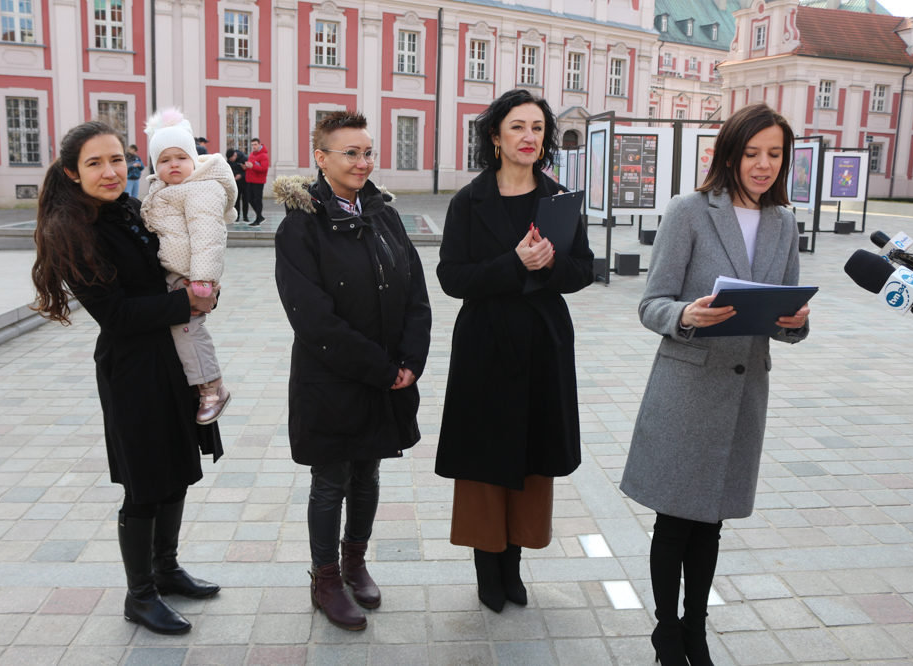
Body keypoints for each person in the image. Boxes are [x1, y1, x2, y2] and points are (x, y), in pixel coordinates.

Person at [619, 102, 810, 666]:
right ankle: (666, 633)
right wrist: (685, 316)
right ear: (729, 153)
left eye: (774, 154)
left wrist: (795, 324)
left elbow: (788, 314)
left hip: (744, 391)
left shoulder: (784, 223)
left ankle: (695, 630)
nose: (763, 165)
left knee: (712, 524)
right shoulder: (689, 211)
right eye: (752, 153)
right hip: (687, 388)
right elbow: (651, 303)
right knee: (674, 521)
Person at [30, 120, 223, 636]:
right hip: (133, 371)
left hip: (171, 358)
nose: (111, 171)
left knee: (177, 468)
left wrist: (201, 288)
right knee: (144, 484)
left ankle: (166, 569)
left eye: (117, 159)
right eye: (95, 163)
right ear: (72, 173)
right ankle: (139, 595)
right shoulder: (73, 231)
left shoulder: (129, 211)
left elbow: (171, 267)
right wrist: (186, 300)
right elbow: (115, 315)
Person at [434, 89, 594, 613]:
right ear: (496, 137)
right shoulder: (468, 200)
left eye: (538, 128)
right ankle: (487, 568)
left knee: (531, 454)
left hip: (542, 342)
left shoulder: (561, 199)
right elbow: (451, 278)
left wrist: (550, 265)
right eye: (518, 127)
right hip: (485, 343)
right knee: (485, 456)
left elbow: (583, 271)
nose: (530, 137)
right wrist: (515, 264)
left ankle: (515, 565)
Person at [273, 110, 431, 631]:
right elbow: (312, 317)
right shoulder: (301, 225)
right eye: (351, 153)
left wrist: (410, 361)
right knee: (332, 479)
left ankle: (355, 562)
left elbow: (415, 292)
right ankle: (325, 580)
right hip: (335, 378)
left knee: (368, 472)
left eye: (368, 152)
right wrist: (381, 369)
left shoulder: (382, 212)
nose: (363, 162)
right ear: (321, 158)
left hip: (388, 375)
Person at [141, 108, 235, 424]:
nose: (173, 165)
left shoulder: (200, 189)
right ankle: (202, 385)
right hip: (175, 274)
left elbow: (208, 233)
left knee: (188, 331)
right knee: (182, 332)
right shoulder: (163, 190)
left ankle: (212, 388)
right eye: (164, 160)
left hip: (191, 278)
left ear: (194, 159)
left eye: (181, 157)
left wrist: (203, 280)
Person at [244, 137, 269, 226]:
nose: (253, 146)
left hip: (259, 181)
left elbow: (264, 168)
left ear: (259, 144)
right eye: (252, 145)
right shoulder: (252, 154)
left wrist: (252, 166)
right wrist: (246, 167)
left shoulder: (263, 155)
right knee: (249, 199)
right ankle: (260, 216)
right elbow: (251, 165)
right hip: (250, 180)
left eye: (255, 144)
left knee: (258, 200)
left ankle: (258, 219)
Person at [226, 148, 249, 222]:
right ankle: (237, 217)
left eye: (231, 158)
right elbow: (228, 170)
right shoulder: (229, 161)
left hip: (244, 182)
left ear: (235, 155)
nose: (231, 160)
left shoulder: (244, 158)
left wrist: (241, 175)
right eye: (229, 159)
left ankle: (245, 217)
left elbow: (248, 171)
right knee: (236, 200)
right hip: (235, 183)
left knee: (245, 200)